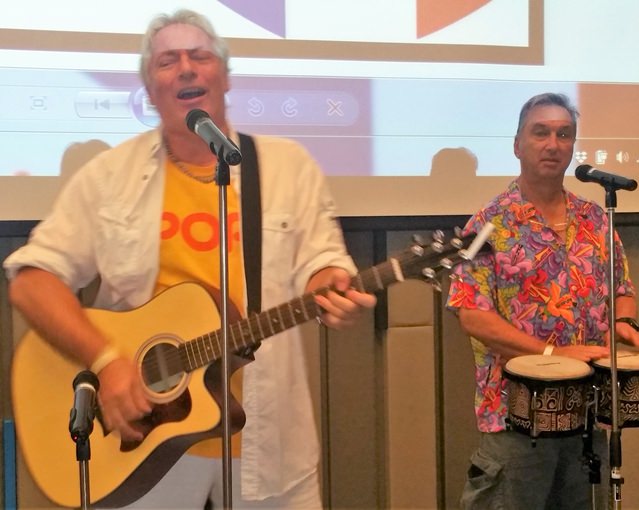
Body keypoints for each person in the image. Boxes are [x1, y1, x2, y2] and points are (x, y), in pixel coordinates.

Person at [4, 9, 376, 509]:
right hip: (142, 441)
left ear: (224, 77)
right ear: (148, 88)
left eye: (200, 56)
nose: (185, 68)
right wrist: (108, 363)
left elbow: (324, 260)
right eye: (167, 61)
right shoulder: (109, 177)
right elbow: (32, 280)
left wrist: (332, 284)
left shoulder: (287, 166)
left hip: (268, 442)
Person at [446, 92, 639, 510]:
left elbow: (621, 292)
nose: (553, 143)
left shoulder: (595, 218)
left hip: (584, 415)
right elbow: (472, 315)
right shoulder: (487, 224)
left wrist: (625, 325)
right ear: (517, 145)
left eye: (564, 134)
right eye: (540, 132)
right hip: (516, 417)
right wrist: (555, 353)